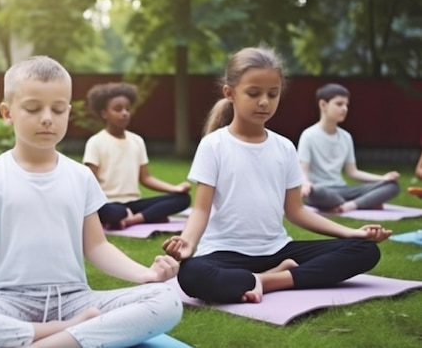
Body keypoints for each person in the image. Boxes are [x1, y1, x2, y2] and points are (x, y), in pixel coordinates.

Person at [0, 56, 182, 348]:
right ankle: (64, 334)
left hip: (74, 299)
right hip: (4, 301)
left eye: (58, 109)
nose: (47, 118)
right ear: (8, 112)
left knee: (166, 300)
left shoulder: (80, 176)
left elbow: (97, 246)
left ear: (68, 112)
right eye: (33, 108)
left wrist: (146, 274)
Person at [162, 46, 392, 304]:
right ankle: (270, 277)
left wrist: (352, 234)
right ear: (230, 93)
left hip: (278, 249)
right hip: (224, 252)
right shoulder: (214, 145)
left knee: (365, 251)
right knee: (193, 275)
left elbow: (296, 211)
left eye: (273, 94)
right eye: (253, 93)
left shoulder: (284, 147)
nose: (264, 102)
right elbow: (201, 210)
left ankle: (268, 280)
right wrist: (187, 243)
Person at [82, 82, 191, 230]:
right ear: (104, 113)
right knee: (111, 212)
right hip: (108, 205)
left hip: (134, 204)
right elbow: (89, 183)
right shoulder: (95, 142)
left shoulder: (137, 141)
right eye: (118, 109)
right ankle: (147, 216)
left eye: (127, 109)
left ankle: (131, 220)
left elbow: (146, 178)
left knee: (183, 199)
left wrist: (175, 188)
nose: (125, 113)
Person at [297, 83, 400, 213]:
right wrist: (306, 184)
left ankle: (349, 205)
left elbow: (353, 172)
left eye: (346, 105)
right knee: (317, 192)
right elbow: (302, 171)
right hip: (320, 190)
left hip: (343, 189)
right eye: (339, 104)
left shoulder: (346, 137)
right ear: (323, 105)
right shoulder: (308, 135)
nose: (344, 109)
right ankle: (363, 202)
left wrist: (382, 178)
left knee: (392, 186)